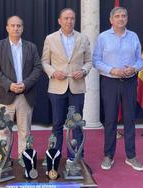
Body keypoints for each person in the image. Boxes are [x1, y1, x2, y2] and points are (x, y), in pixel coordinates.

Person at [93, 7, 143, 171]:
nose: (121, 19)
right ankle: (108, 155)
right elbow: (96, 60)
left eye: (123, 16)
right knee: (110, 120)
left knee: (130, 120)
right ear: (111, 20)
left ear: (127, 19)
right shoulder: (103, 37)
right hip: (110, 82)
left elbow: (140, 60)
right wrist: (112, 70)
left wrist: (134, 68)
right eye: (117, 16)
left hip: (129, 82)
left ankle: (131, 156)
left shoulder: (134, 36)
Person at [0, 16, 42, 167]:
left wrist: (25, 84)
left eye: (19, 25)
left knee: (25, 132)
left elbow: (38, 68)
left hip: (25, 95)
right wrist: (9, 84)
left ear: (22, 28)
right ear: (7, 28)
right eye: (12, 26)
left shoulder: (31, 47)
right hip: (4, 96)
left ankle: (23, 161)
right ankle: (5, 161)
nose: (16, 28)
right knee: (4, 132)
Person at [41, 8, 92, 161]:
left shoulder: (83, 38)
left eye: (72, 18)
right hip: (57, 87)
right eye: (66, 18)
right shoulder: (50, 38)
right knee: (57, 124)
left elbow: (89, 61)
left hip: (77, 87)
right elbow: (44, 61)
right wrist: (53, 72)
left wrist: (83, 71)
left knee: (76, 125)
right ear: (59, 20)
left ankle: (76, 158)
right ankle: (55, 158)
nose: (69, 21)